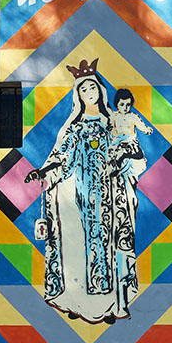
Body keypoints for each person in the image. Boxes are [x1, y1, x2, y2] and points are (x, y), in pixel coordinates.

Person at [25, 58, 142, 325]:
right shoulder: (75, 127)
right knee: (78, 249)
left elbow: (131, 145)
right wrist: (42, 173)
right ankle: (79, 304)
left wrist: (126, 157)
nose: (90, 94)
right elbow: (62, 156)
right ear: (79, 96)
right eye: (84, 91)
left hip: (113, 195)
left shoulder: (115, 121)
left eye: (93, 89)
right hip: (82, 196)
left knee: (113, 247)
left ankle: (114, 304)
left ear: (101, 91)